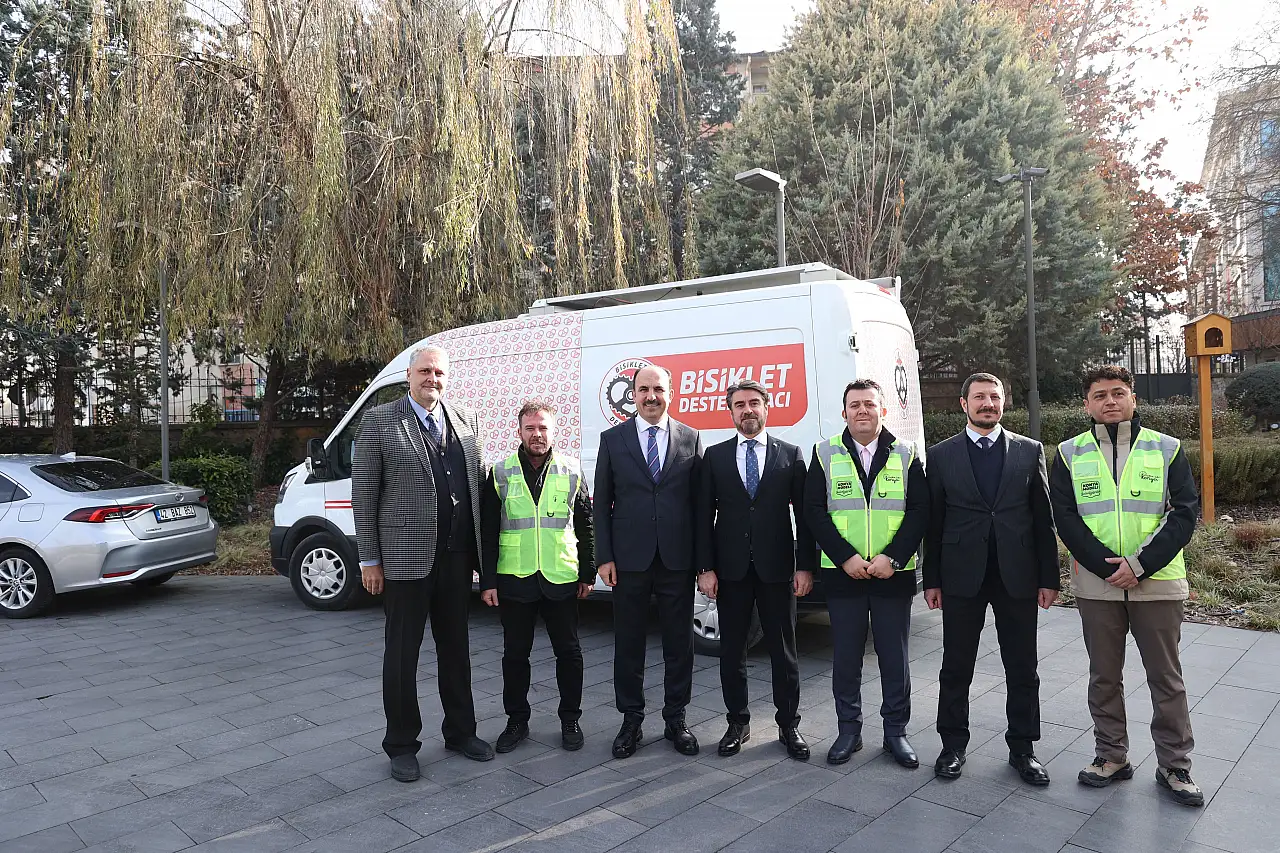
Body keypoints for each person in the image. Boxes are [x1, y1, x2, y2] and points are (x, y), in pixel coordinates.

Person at [1050, 365, 1203, 807]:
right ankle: (1111, 755)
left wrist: (1140, 565)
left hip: (1156, 581)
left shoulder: (1166, 448)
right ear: (1087, 404)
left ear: (1133, 398)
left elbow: (1184, 513)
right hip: (1098, 585)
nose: (1110, 401)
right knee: (1103, 676)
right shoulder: (1067, 453)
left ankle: (1175, 765)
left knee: (1166, 678)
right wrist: (1106, 566)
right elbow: (1066, 518)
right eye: (1100, 395)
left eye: (1118, 393)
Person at [352, 345, 494, 783]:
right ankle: (401, 745)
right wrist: (369, 559)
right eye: (425, 371)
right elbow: (364, 495)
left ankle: (460, 732)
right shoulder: (379, 421)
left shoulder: (466, 420)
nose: (433, 378)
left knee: (457, 651)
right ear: (409, 375)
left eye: (440, 372)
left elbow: (480, 488)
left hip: (456, 558)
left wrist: (483, 560)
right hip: (404, 561)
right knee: (401, 656)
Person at [923, 372, 1059, 786]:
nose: (988, 403)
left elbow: (1043, 518)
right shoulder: (941, 455)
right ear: (963, 404)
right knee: (956, 665)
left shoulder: (1028, 450)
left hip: (1016, 575)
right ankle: (952, 745)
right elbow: (934, 521)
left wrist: (1048, 577)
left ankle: (1024, 749)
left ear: (1004, 403)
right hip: (962, 576)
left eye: (995, 397)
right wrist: (932, 579)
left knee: (1022, 667)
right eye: (980, 397)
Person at [804, 378, 928, 768]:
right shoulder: (825, 453)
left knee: (895, 659)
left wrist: (892, 557)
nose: (862, 410)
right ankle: (849, 731)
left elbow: (919, 511)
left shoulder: (907, 455)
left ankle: (896, 733)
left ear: (882, 410)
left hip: (893, 575)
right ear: (844, 413)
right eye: (855, 405)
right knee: (846, 658)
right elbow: (813, 512)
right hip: (845, 575)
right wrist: (845, 558)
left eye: (869, 404)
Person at [696, 379, 817, 760]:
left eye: (754, 403)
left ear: (767, 408)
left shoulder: (791, 454)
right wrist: (705, 568)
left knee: (784, 651)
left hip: (778, 569)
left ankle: (788, 724)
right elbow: (702, 517)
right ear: (730, 411)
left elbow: (807, 517)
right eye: (739, 405)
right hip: (729, 571)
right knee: (732, 651)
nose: (747, 410)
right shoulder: (713, 457)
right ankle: (738, 722)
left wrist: (805, 567)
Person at [594, 364, 705, 759]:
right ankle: (631, 720)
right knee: (629, 644)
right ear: (633, 394)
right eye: (644, 389)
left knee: (680, 644)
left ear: (670, 393)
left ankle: (677, 718)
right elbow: (601, 505)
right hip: (628, 561)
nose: (651, 396)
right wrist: (603, 557)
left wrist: (703, 563)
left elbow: (700, 506)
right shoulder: (613, 440)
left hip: (677, 560)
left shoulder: (691, 438)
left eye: (658, 388)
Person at [480, 401, 595, 753]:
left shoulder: (572, 470)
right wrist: (488, 581)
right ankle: (516, 721)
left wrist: (588, 572)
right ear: (519, 432)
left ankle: (570, 718)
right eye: (530, 428)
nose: (537, 434)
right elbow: (486, 530)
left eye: (543, 427)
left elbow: (585, 524)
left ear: (553, 431)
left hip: (560, 575)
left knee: (569, 653)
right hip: (515, 577)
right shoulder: (500, 473)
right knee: (515, 655)